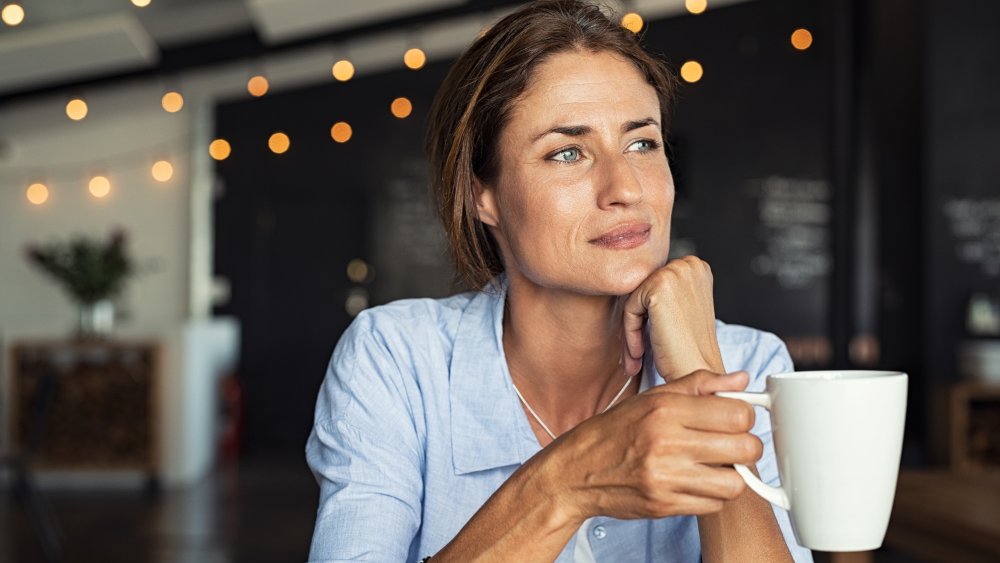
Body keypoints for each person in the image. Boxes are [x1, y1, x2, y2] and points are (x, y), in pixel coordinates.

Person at [306, 1, 813, 561]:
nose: (624, 188)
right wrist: (566, 482)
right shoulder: (397, 359)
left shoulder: (752, 365)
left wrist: (699, 371)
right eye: (567, 152)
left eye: (642, 143)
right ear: (483, 195)